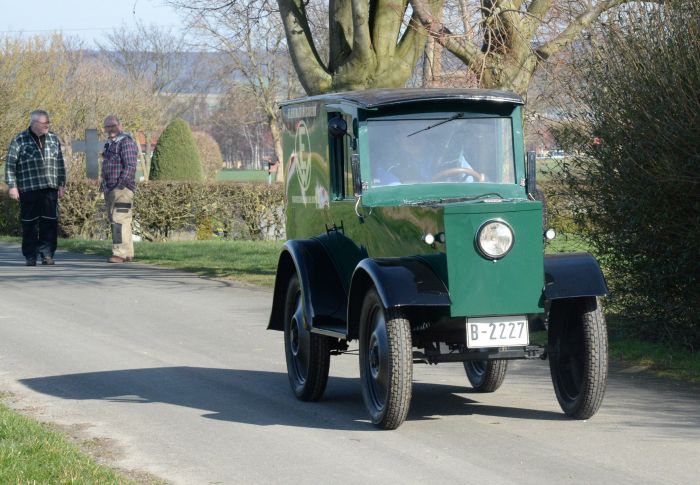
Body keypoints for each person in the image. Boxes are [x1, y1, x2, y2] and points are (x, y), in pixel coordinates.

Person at [4, 110, 66, 266]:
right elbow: (10, 165)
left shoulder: (53, 138)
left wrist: (62, 184)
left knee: (50, 222)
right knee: (29, 223)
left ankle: (47, 254)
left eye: (48, 123)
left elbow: (60, 163)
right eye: (45, 123)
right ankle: (30, 255)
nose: (47, 126)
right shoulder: (19, 139)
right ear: (34, 123)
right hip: (28, 188)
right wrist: (12, 186)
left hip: (50, 188)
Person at [100, 115, 138, 263]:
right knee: (122, 220)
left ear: (120, 125)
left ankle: (119, 253)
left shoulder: (126, 142)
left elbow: (130, 166)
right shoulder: (110, 144)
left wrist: (120, 184)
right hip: (110, 188)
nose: (110, 129)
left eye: (113, 126)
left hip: (122, 189)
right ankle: (128, 252)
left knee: (118, 220)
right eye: (107, 127)